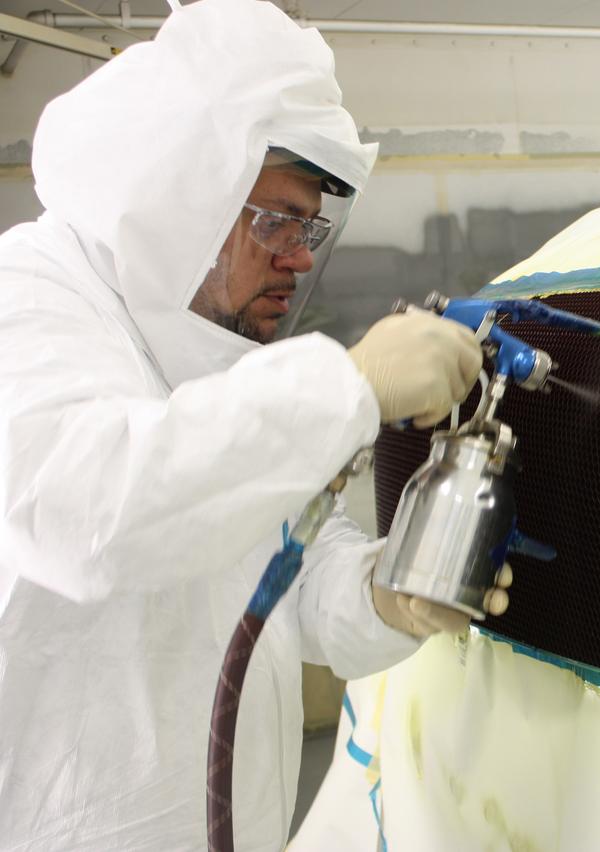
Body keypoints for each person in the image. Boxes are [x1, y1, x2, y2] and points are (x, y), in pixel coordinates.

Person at [0, 1, 508, 848]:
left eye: (310, 227)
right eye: (275, 220)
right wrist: (350, 386)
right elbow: (90, 513)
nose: (300, 256)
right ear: (178, 196)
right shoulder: (30, 295)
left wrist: (387, 598)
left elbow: (292, 572)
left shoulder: (207, 347)